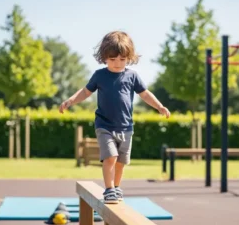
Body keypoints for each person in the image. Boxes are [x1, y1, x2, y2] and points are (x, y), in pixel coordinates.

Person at [59, 31, 170, 204]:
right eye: (112, 60)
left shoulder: (132, 76)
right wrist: (71, 100)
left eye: (122, 59)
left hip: (126, 127)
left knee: (121, 162)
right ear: (104, 57)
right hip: (104, 125)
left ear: (129, 58)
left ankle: (116, 187)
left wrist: (159, 106)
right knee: (110, 157)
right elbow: (86, 91)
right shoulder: (100, 75)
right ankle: (109, 189)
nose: (117, 64)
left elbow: (145, 94)